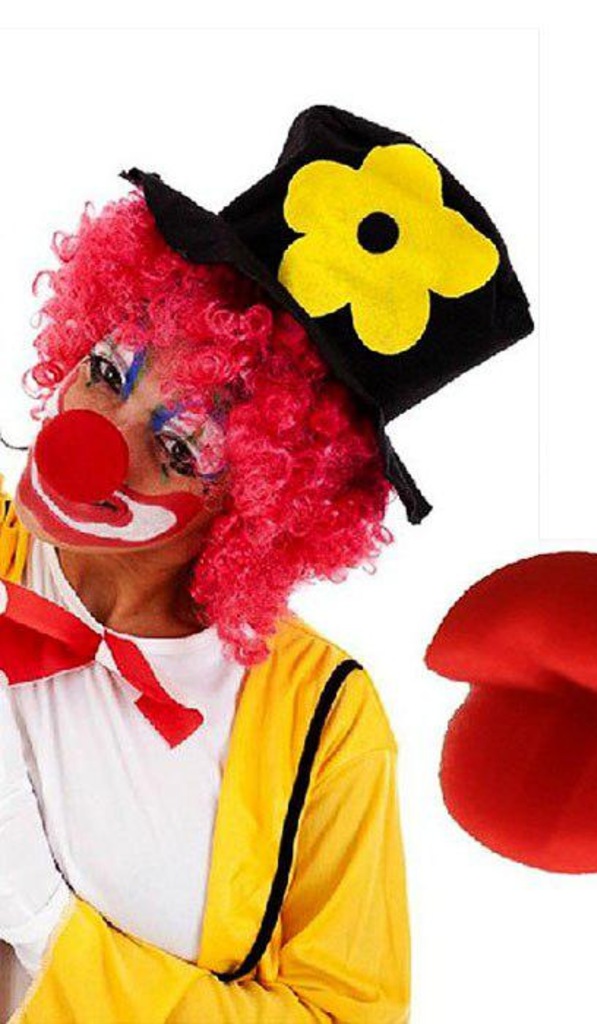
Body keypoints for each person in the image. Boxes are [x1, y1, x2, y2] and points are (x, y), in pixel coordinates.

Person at [0, 105, 533, 1022]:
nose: (98, 442)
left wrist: (44, 927)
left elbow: (345, 1014)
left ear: (260, 502)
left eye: (179, 448)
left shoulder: (323, 719)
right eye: (108, 372)